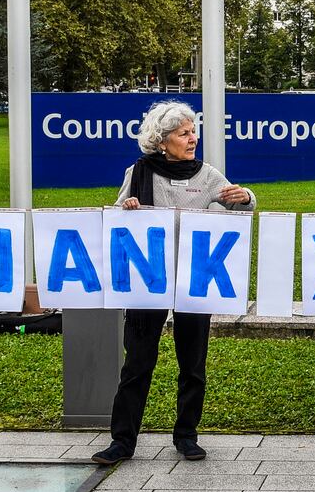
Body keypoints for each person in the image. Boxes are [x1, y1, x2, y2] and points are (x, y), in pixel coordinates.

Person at [93, 101, 255, 465]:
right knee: (137, 362)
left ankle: (186, 436)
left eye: (193, 131)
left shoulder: (208, 175)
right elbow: (118, 217)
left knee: (193, 363)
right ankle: (122, 441)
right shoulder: (137, 172)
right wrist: (129, 207)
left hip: (194, 279)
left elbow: (241, 206)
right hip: (148, 279)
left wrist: (245, 197)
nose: (193, 138)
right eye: (184, 133)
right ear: (162, 141)